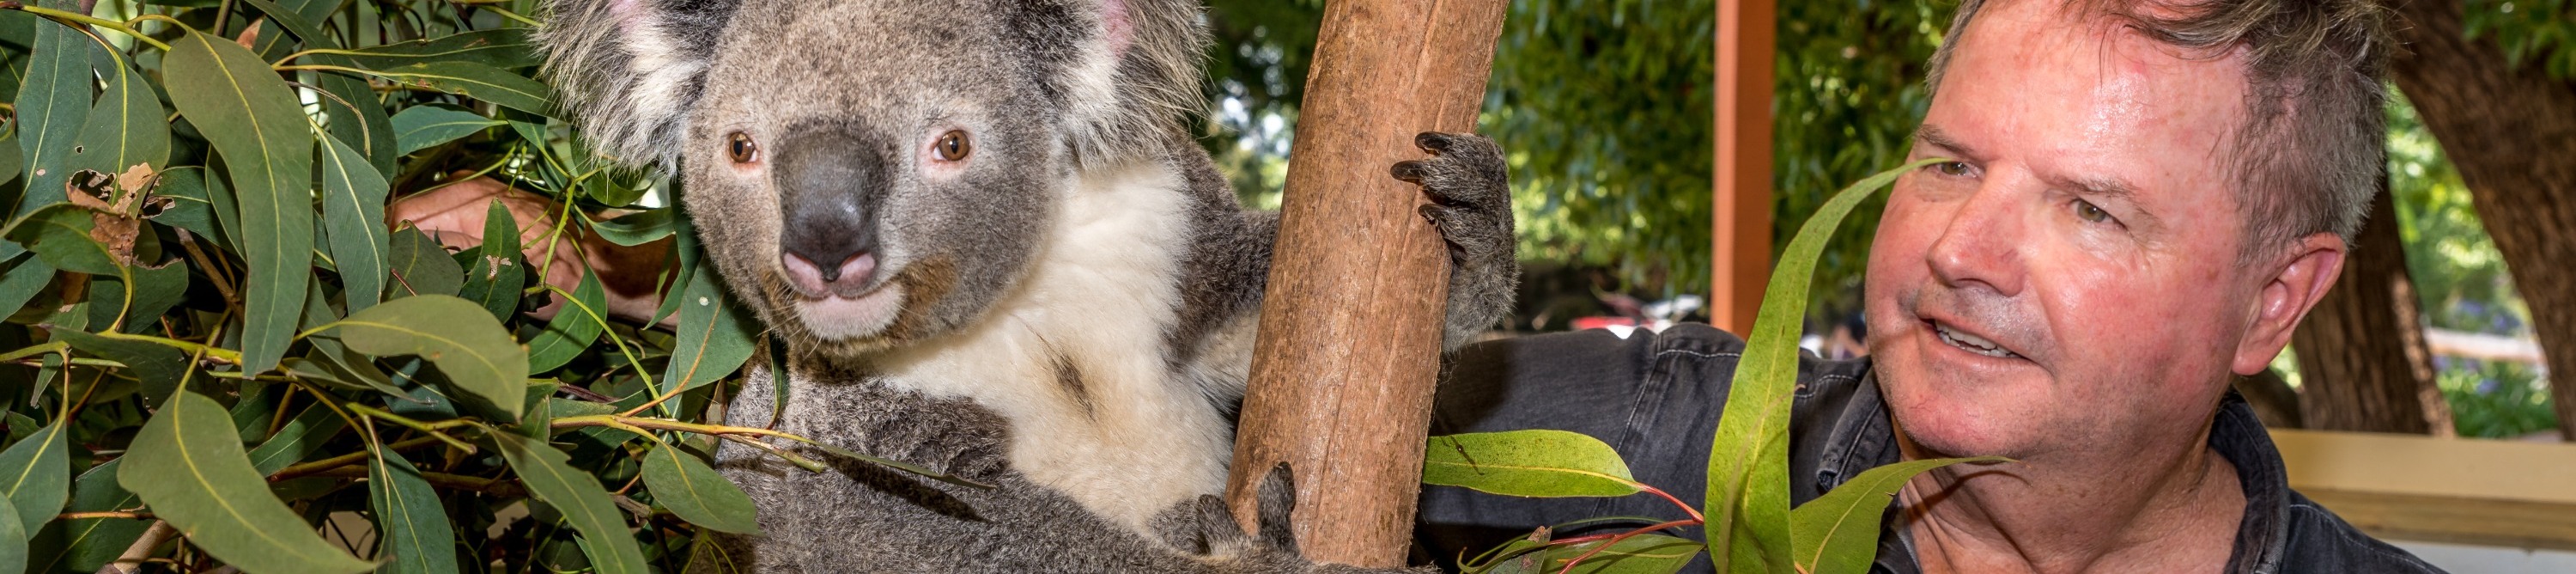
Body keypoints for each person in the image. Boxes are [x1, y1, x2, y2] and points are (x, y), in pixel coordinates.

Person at [1417, 0, 2441, 571]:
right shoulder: (1633, 440)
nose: (1962, 252)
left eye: (2091, 207)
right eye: (1949, 164)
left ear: (2274, 300)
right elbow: (1266, 415)